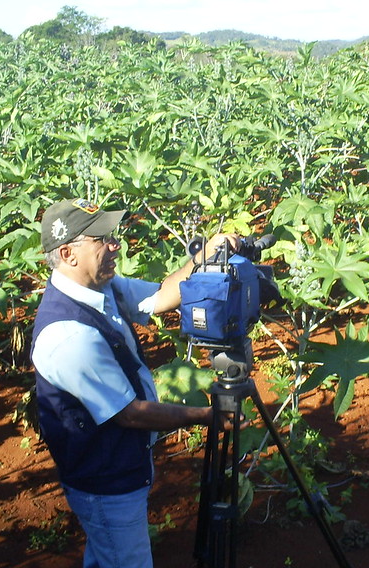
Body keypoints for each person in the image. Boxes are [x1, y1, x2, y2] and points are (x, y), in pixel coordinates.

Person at [30, 197, 239, 568]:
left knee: (107, 555)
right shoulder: (67, 334)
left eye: (113, 235)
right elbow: (128, 414)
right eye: (102, 239)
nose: (116, 245)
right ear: (68, 253)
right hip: (105, 480)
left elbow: (161, 295)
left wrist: (204, 256)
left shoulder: (100, 288)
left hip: (122, 464)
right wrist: (206, 415)